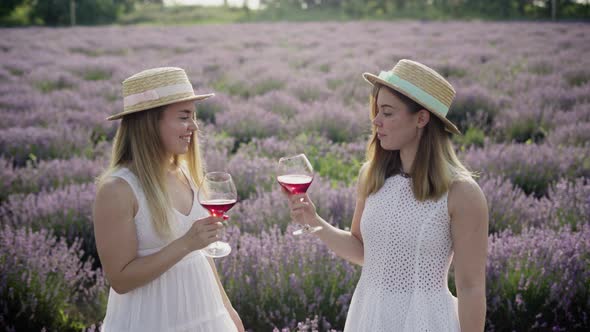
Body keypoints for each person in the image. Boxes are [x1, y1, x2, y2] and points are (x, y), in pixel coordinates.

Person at [285, 59, 489, 331]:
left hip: (426, 321)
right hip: (369, 317)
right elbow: (362, 251)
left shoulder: (461, 193)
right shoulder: (372, 176)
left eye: (388, 112)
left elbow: (471, 286)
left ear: (421, 118)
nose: (376, 120)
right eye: (376, 110)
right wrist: (315, 222)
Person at [93, 67, 244, 332]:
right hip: (150, 319)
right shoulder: (117, 189)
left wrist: (228, 312)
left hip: (205, 313)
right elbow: (121, 279)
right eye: (184, 117)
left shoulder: (185, 172)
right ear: (150, 122)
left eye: (194, 117)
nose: (194, 127)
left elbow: (202, 254)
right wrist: (187, 243)